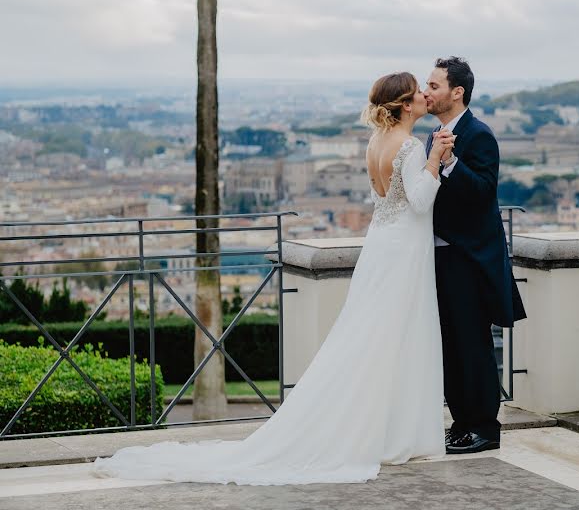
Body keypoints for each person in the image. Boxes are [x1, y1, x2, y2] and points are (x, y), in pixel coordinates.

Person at [91, 72, 457, 485]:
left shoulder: (375, 143)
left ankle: (382, 429)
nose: (426, 97)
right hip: (404, 251)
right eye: (418, 94)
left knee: (372, 335)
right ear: (406, 105)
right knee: (401, 335)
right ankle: (397, 433)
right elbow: (422, 201)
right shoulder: (409, 147)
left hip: (381, 246)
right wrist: (434, 162)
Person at [424, 57, 526, 455]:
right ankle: (462, 424)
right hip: (441, 258)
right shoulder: (437, 134)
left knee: (473, 346)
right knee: (451, 346)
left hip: (468, 260)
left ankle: (484, 428)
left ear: (456, 92)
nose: (426, 92)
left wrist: (449, 162)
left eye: (433, 86)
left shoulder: (479, 135)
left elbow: (484, 192)